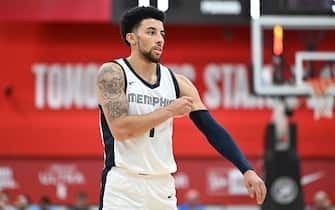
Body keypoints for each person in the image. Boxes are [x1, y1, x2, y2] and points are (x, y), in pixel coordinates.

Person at [96, 6, 267, 210]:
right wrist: (169, 111)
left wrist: (246, 169)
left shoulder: (177, 83)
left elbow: (212, 129)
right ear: (131, 38)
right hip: (124, 185)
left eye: (162, 33)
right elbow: (121, 129)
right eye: (151, 32)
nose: (159, 39)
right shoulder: (113, 73)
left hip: (162, 187)